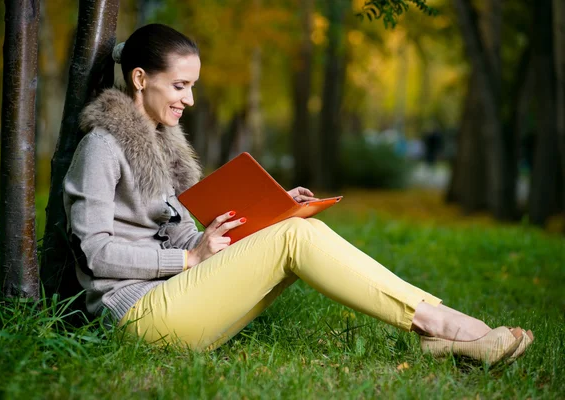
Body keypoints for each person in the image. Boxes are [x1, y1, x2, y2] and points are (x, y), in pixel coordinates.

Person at [63, 24, 533, 365]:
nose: (188, 99)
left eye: (193, 87)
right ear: (141, 78)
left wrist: (266, 208)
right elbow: (93, 250)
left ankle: (440, 327)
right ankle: (447, 326)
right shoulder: (102, 146)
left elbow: (188, 238)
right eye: (180, 86)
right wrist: (187, 262)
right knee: (295, 239)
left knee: (294, 226)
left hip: (179, 304)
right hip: (135, 316)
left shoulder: (164, 149)